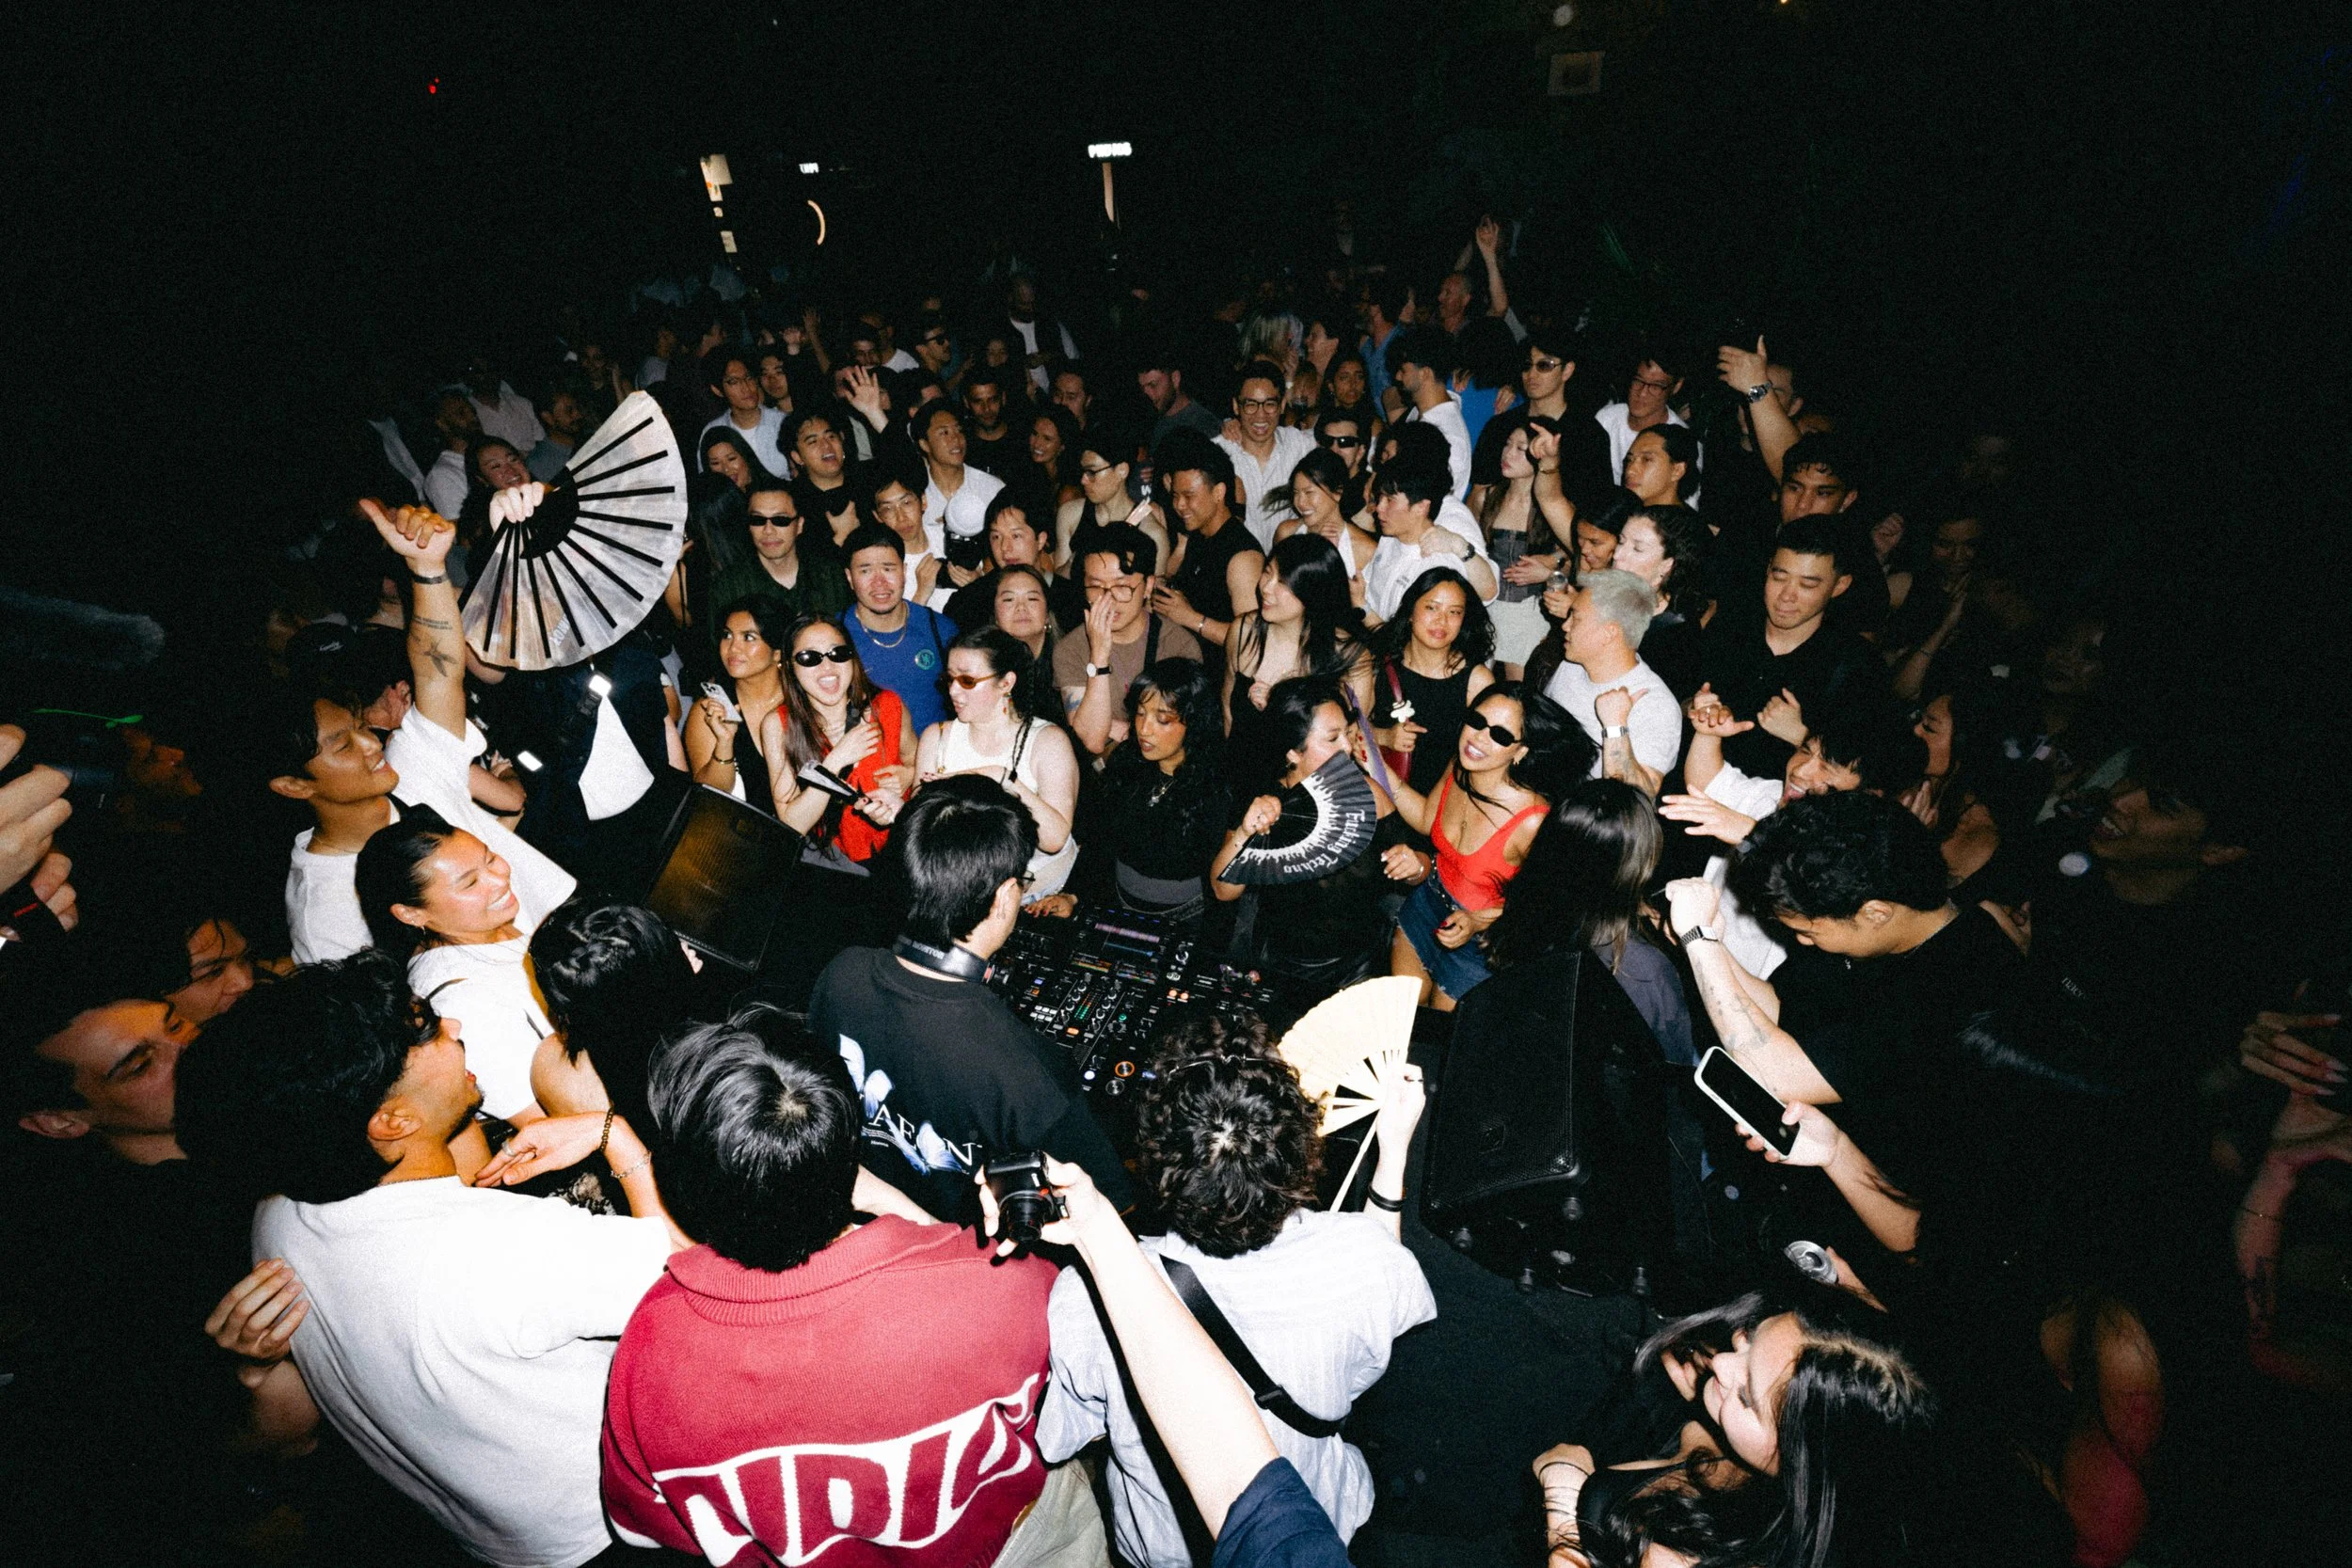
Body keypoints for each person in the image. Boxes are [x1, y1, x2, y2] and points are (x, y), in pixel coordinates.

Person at [172, 953, 686, 1568]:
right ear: (391, 1120)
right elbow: (701, 1280)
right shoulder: (492, 1251)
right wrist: (617, 1136)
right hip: (627, 1521)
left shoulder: (280, 1215)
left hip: (500, 1542)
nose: (456, 1028)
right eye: (426, 1029)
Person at [600, 1012, 1112, 1564]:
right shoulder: (1003, 1284)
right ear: (850, 1155)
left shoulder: (650, 1350)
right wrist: (882, 1198)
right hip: (1016, 1544)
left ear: (687, 1191)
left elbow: (646, 1529)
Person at [1038, 1037, 1434, 1568]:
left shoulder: (1087, 1296)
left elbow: (1064, 1437)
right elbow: (1382, 1267)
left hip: (1163, 1550)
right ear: (1300, 1161)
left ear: (1154, 1173)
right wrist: (1393, 1150)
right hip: (1316, 1513)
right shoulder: (1365, 1257)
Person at [1673, 789, 2031, 1208]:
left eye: (1809, 931)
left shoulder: (1958, 992)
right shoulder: (1877, 930)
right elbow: (1779, 1011)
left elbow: (1777, 1074)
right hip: (1821, 1156)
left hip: (1897, 1203)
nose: (1801, 942)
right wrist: (1711, 941)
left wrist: (1698, 941)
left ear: (1875, 913)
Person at [805, 776, 1136, 1224]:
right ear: (1003, 897)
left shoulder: (840, 972)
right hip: (957, 1249)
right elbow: (1110, 1202)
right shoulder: (1018, 1064)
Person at [269, 500, 574, 965]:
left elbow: (437, 674)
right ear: (294, 785)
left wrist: (428, 568)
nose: (372, 744)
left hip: (573, 934)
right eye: (343, 745)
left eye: (358, 727)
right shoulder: (326, 912)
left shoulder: (407, 766)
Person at [1664, 698, 1929, 981]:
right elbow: (1709, 786)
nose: (1801, 771)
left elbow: (1800, 873)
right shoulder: (1775, 797)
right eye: (1805, 750)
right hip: (1690, 945)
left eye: (1826, 768)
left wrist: (1751, 835)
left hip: (1741, 984)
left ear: (1869, 794)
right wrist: (1708, 734)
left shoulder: (1857, 856)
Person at [1211, 678, 1411, 1005]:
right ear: (1293, 752)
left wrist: (1415, 864)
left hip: (1357, 966)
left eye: (1348, 733)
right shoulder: (1266, 801)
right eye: (1332, 739)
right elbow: (1223, 890)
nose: (1347, 747)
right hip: (1282, 966)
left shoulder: (1367, 794)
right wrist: (1247, 832)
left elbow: (1410, 875)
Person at [356, 805, 555, 1125]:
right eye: (470, 883)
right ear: (411, 914)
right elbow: (548, 1124)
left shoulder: (488, 921)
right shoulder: (460, 1006)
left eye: (489, 858)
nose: (500, 878)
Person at [1385, 685, 1561, 1007]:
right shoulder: (1459, 766)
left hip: (1480, 945)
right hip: (1425, 908)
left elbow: (1546, 908)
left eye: (1501, 735)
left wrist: (1478, 921)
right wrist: (1375, 766)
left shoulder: (1533, 820)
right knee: (1398, 1021)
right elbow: (1427, 818)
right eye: (1477, 721)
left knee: (1438, 1046)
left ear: (1520, 751)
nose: (1478, 738)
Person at [1695, 515, 1888, 779]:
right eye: (1779, 577)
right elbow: (1679, 693)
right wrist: (1701, 709)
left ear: (1839, 586)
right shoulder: (1731, 625)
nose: (1787, 595)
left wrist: (1803, 736)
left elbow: (1871, 771)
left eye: (1807, 584)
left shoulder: (1856, 665)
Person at [914, 628, 1082, 901]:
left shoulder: (1047, 741)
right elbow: (923, 826)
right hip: (963, 886)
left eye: (968, 681)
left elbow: (1054, 840)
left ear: (1006, 683)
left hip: (1036, 892)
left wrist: (1003, 779)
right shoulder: (938, 737)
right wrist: (895, 809)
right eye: (950, 679)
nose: (953, 691)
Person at [1089, 658, 1231, 923]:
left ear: (1194, 723)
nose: (1144, 729)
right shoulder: (1126, 760)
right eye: (1140, 714)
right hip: (1116, 901)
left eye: (1162, 720)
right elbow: (1100, 838)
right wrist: (1074, 894)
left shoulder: (1216, 785)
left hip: (1187, 915)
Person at [1057, 524, 1205, 758]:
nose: (1108, 599)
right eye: (1095, 587)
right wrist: (1099, 656)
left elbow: (1184, 735)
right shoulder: (1071, 649)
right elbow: (1093, 740)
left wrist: (1117, 727)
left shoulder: (1178, 645)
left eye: (1122, 587)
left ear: (1148, 586)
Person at [1225, 533, 1374, 758]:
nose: (1266, 588)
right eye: (1267, 572)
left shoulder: (1349, 655)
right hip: (1243, 774)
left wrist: (1279, 708)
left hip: (1313, 781)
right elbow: (1228, 715)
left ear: (1313, 592)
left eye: (1283, 582)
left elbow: (1351, 742)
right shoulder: (1244, 631)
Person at [1543, 569, 1684, 791]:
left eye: (1576, 618)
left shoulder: (1655, 705)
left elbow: (1640, 798)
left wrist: (1615, 727)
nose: (1565, 625)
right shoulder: (1571, 667)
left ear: (1609, 633)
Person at [1368, 565, 1497, 796]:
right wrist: (1384, 736)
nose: (1442, 621)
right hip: (1381, 795)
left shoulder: (1477, 680)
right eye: (1431, 607)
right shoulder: (1377, 664)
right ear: (1410, 612)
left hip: (1444, 803)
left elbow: (1491, 756)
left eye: (1454, 612)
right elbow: (1348, 726)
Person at [1479, 420, 1580, 673]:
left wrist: (1550, 569)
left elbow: (1576, 558)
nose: (1508, 453)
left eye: (1520, 448)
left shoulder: (1552, 507)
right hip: (1486, 607)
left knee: (1519, 693)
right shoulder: (1485, 497)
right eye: (1507, 444)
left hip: (1528, 612)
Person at [838, 520, 958, 734]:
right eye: (865, 571)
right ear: (849, 577)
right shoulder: (834, 637)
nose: (879, 582)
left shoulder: (941, 630)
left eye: (888, 568)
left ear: (904, 571)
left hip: (936, 760)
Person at [1153, 430, 1264, 656]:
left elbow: (1252, 642)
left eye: (1189, 496)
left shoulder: (1242, 557)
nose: (1179, 505)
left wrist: (1192, 618)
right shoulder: (1198, 535)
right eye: (1175, 496)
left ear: (1219, 493)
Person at [1359, 447, 1499, 622]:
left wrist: (1362, 608)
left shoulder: (1439, 563)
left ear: (1421, 507)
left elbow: (1488, 593)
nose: (1379, 508)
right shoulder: (1388, 540)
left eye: (1390, 500)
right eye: (1380, 498)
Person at [1606, 503, 1712, 701]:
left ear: (1667, 564)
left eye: (1637, 549)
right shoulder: (1607, 599)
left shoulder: (1677, 639)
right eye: (1621, 542)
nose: (1618, 555)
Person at [707, 483, 849, 626]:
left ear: (799, 525)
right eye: (758, 520)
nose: (768, 530)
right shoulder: (729, 586)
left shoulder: (831, 575)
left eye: (780, 520)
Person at [945, 491, 1086, 634]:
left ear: (1041, 540)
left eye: (1016, 536)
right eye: (996, 537)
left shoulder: (1072, 601)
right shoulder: (969, 602)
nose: (1005, 547)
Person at [1217, 358, 1319, 549]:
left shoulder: (1300, 445)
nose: (1261, 415)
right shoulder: (1219, 453)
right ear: (1236, 406)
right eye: (1250, 404)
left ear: (1282, 406)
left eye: (1269, 404)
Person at [1057, 424, 1172, 572]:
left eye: (1092, 472)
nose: (1083, 480)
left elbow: (1151, 590)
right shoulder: (1071, 514)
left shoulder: (1152, 533)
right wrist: (1080, 555)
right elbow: (1058, 586)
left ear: (1122, 471)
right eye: (1083, 471)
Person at [914, 402, 1007, 578]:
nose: (956, 439)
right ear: (924, 444)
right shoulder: (914, 494)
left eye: (959, 431)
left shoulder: (993, 489)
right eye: (944, 433)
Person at [1271, 446, 1379, 595]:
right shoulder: (1286, 532)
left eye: (1309, 493)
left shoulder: (1364, 550)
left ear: (1338, 492)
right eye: (1296, 493)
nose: (1300, 502)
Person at [1592, 346, 1694, 495]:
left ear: (1676, 387)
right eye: (1638, 381)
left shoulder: (1682, 440)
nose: (1643, 393)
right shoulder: (1606, 418)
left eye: (1656, 386)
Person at [1389, 326, 1472, 499]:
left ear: (1425, 373)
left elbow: (1435, 500)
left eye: (1403, 370)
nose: (1397, 377)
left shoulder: (1449, 436)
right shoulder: (1416, 413)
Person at [697, 346, 791, 479]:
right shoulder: (713, 431)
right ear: (717, 390)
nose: (746, 388)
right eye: (733, 382)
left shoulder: (783, 423)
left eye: (748, 378)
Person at [1137, 350, 1223, 454]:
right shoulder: (1153, 423)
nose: (1148, 394)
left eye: (1153, 385)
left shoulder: (1205, 425)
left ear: (1175, 379)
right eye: (1143, 389)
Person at [959, 365, 1023, 479]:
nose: (987, 409)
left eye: (992, 400)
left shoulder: (1022, 439)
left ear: (1003, 398)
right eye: (978, 402)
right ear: (966, 402)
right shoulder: (960, 443)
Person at [1619, 423, 1698, 510]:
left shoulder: (1685, 522)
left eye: (1646, 460)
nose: (1630, 470)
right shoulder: (1621, 512)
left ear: (1677, 470)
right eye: (1630, 460)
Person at [526, 380, 591, 480]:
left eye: (577, 408)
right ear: (548, 418)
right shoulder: (539, 463)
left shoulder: (590, 438)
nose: (578, 414)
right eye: (569, 411)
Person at [699, 423, 784, 494]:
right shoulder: (713, 507)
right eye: (715, 463)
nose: (726, 469)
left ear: (745, 455)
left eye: (731, 459)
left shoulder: (776, 492)